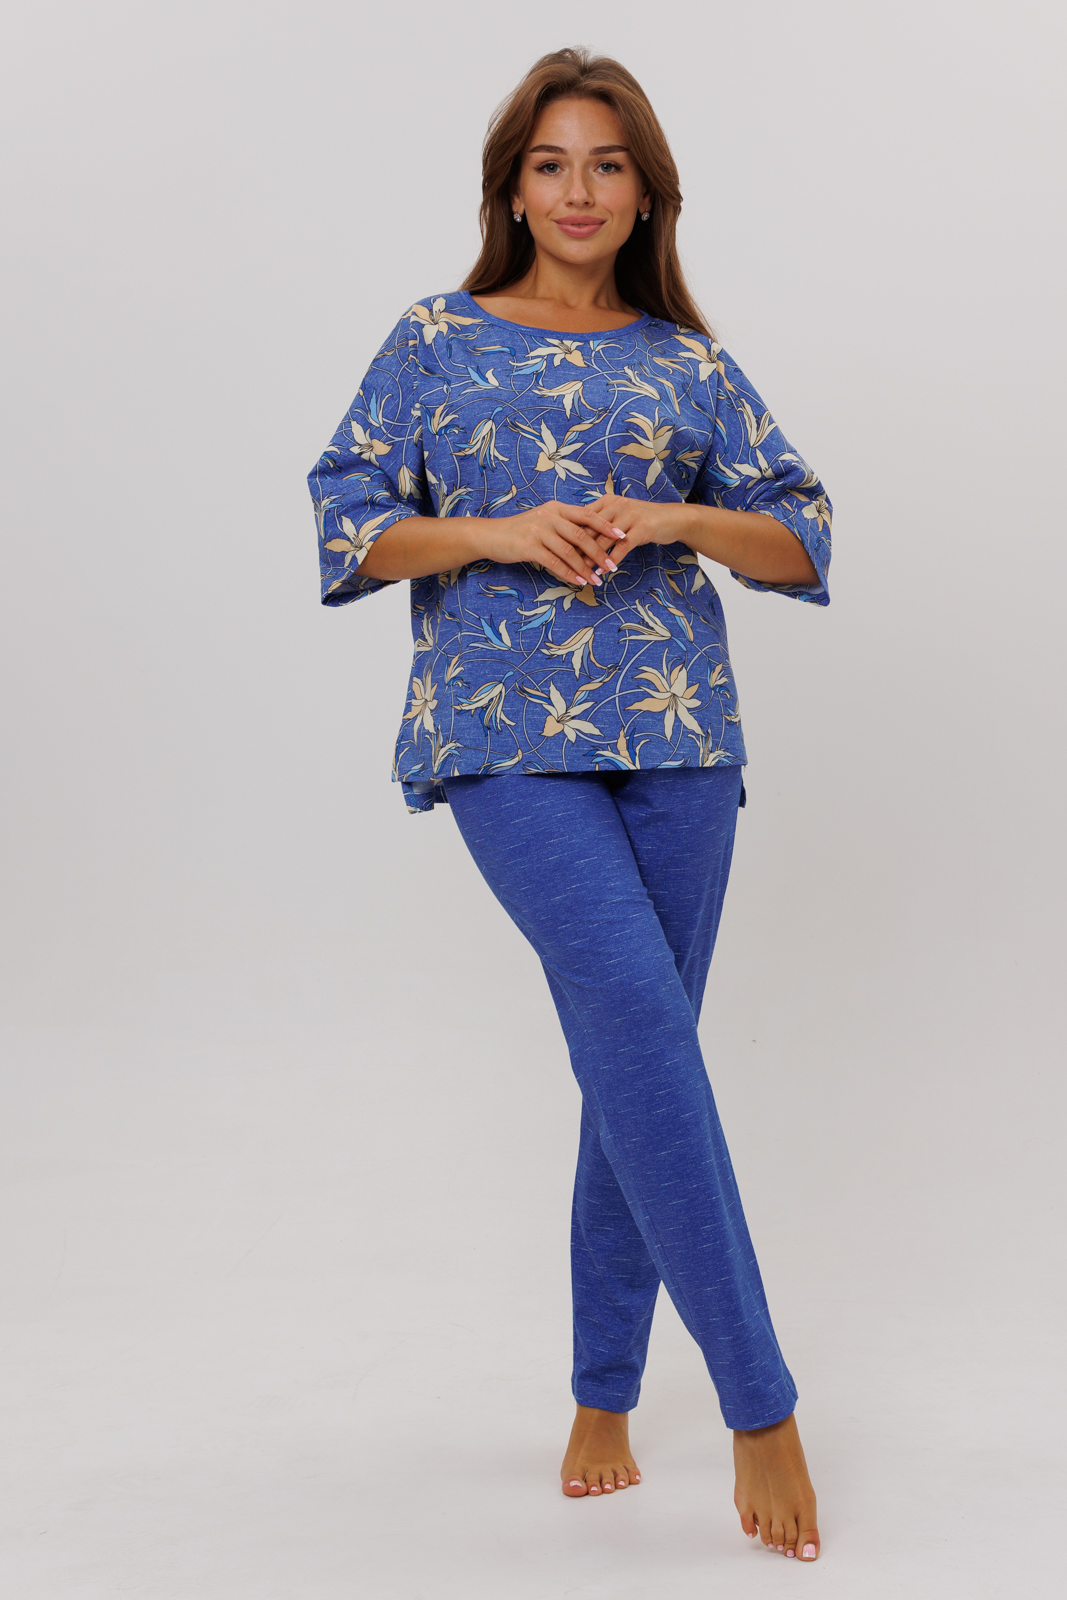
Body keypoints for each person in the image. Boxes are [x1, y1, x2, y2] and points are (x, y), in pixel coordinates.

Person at [309, 46, 830, 1563]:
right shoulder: (435, 336)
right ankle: (760, 1404)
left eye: (608, 165)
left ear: (646, 193)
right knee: (641, 1023)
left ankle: (605, 1393)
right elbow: (349, 517)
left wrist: (679, 515)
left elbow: (802, 536)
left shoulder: (687, 361)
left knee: (634, 1057)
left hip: (678, 736)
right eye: (552, 163)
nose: (580, 190)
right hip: (501, 734)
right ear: (513, 187)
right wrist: (495, 532)